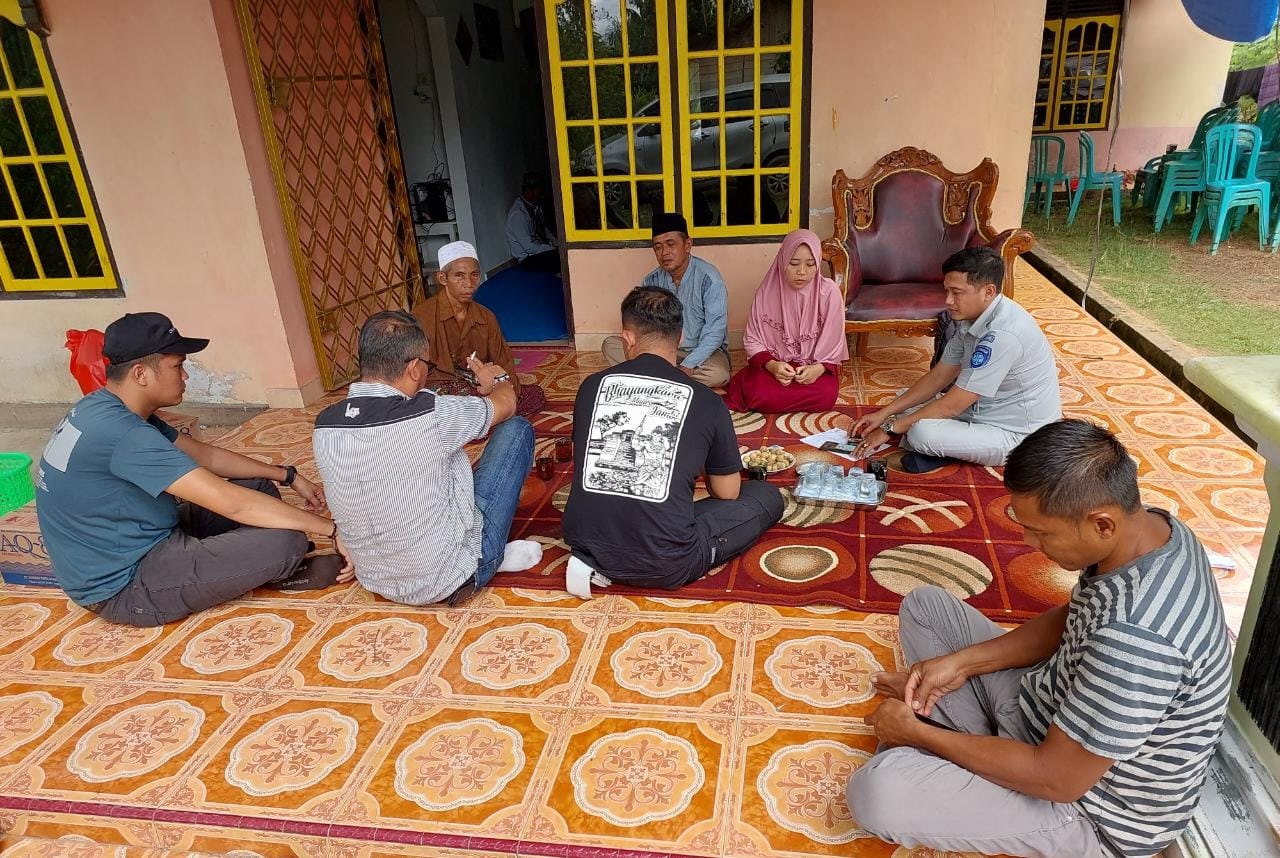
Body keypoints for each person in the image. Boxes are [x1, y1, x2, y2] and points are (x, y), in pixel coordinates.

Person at [848, 419, 1232, 858]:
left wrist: (919, 735)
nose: (1029, 542)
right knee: (927, 606)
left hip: (1087, 811)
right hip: (1045, 713)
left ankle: (957, 746)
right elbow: (1074, 618)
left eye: (1042, 532)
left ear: (1102, 524)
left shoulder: (1135, 640)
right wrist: (960, 664)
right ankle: (976, 748)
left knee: (877, 791)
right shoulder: (1156, 531)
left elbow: (1058, 779)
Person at [34, 312, 350, 627]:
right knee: (286, 541)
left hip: (145, 533)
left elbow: (204, 456)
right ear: (141, 374)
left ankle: (242, 565)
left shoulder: (106, 406)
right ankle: (266, 568)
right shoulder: (123, 433)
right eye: (177, 366)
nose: (184, 377)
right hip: (126, 582)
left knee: (256, 485)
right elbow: (232, 503)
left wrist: (287, 474)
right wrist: (334, 530)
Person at [312, 310, 543, 606]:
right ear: (414, 369)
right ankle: (489, 557)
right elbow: (507, 404)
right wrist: (496, 379)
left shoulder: (325, 424)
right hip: (448, 577)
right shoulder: (431, 413)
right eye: (428, 365)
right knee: (516, 430)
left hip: (375, 578)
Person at [564, 286, 783, 590]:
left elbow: (584, 461)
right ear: (680, 339)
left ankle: (593, 561)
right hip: (666, 561)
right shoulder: (707, 401)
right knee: (765, 497)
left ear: (627, 338)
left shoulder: (590, 386)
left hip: (586, 543)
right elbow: (727, 492)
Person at [851, 246, 1060, 473]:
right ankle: (949, 447)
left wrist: (889, 428)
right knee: (903, 401)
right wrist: (883, 414)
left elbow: (953, 405)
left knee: (922, 433)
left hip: (1017, 434)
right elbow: (940, 374)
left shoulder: (1004, 335)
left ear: (988, 291)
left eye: (957, 293)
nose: (948, 301)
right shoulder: (972, 317)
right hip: (979, 410)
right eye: (946, 291)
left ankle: (945, 453)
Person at [412, 240, 546, 417]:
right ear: (443, 278)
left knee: (534, 395)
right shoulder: (421, 316)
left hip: (478, 384)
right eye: (459, 275)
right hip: (439, 389)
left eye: (474, 275)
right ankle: (482, 417)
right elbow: (412, 372)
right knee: (448, 403)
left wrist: (502, 384)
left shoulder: (485, 317)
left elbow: (503, 362)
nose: (468, 283)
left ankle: (477, 418)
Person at [723, 228, 847, 413]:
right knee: (757, 391)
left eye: (811, 264)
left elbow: (834, 340)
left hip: (813, 367)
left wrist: (818, 369)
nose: (802, 272)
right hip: (776, 366)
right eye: (794, 263)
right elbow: (753, 339)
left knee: (826, 395)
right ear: (782, 261)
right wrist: (773, 366)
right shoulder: (766, 292)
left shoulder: (829, 292)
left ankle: (781, 399)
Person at [601, 212, 730, 388]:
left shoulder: (709, 279)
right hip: (661, 351)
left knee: (718, 374)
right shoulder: (651, 281)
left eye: (671, 244)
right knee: (611, 345)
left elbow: (715, 332)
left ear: (687, 244)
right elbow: (643, 325)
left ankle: (656, 378)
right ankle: (671, 378)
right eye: (658, 247)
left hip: (701, 353)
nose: (664, 253)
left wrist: (687, 365)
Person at [505, 172, 559, 274]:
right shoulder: (518, 214)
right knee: (560, 260)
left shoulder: (535, 208)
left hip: (540, 252)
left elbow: (545, 230)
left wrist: (556, 243)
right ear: (529, 190)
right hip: (528, 259)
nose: (542, 194)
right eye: (539, 190)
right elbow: (529, 247)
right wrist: (552, 249)